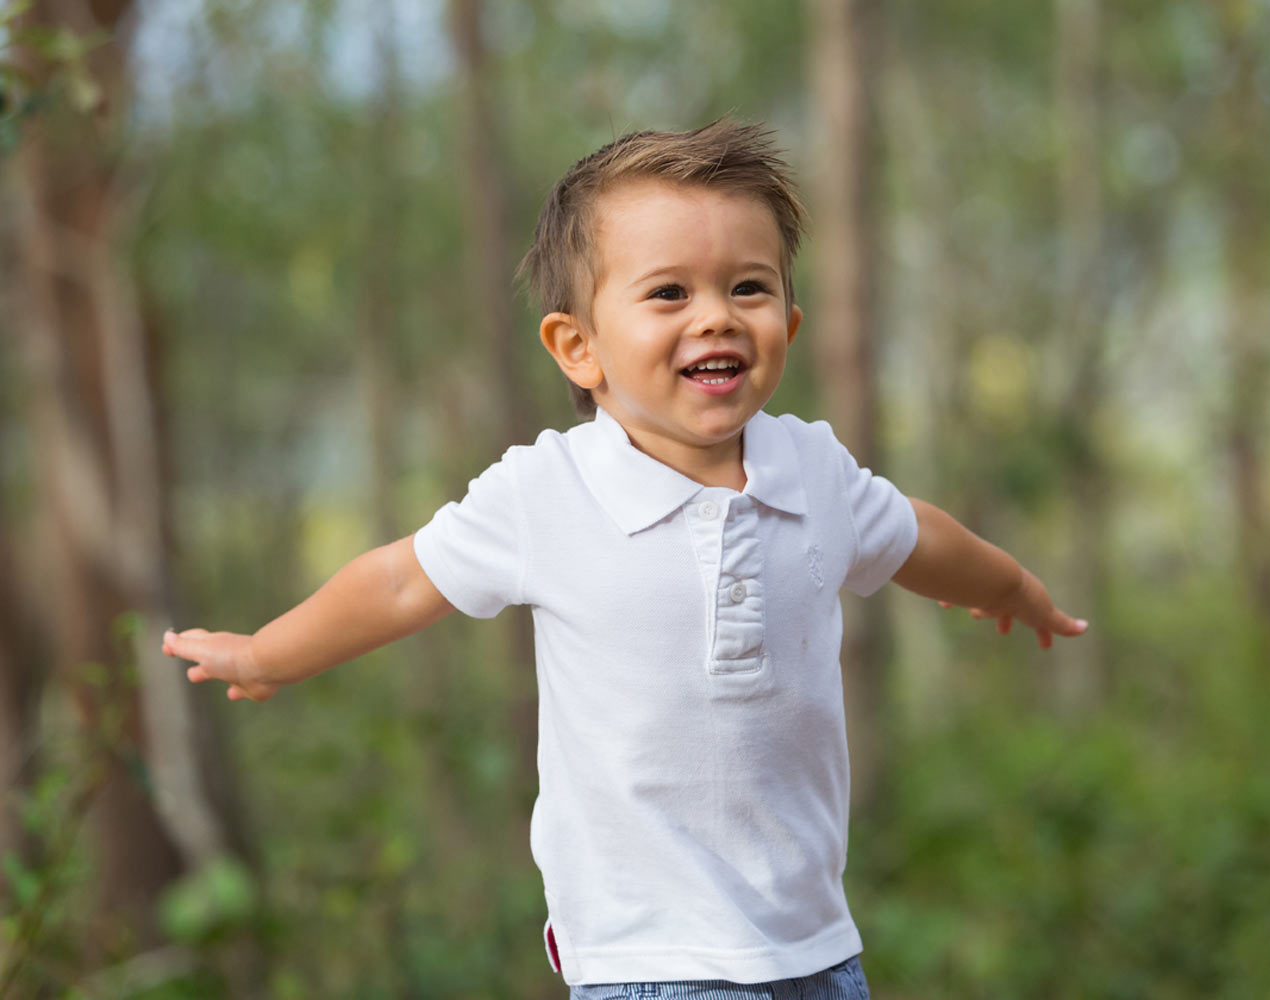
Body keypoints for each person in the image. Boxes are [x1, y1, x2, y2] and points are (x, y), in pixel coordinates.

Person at [163, 118, 1088, 999]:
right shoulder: (548, 493)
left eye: (749, 288)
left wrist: (1011, 587)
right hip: (646, 951)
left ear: (790, 327)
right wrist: (269, 653)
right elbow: (402, 579)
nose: (716, 318)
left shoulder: (814, 470)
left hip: (815, 944)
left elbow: (917, 537)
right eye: (669, 293)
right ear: (580, 348)